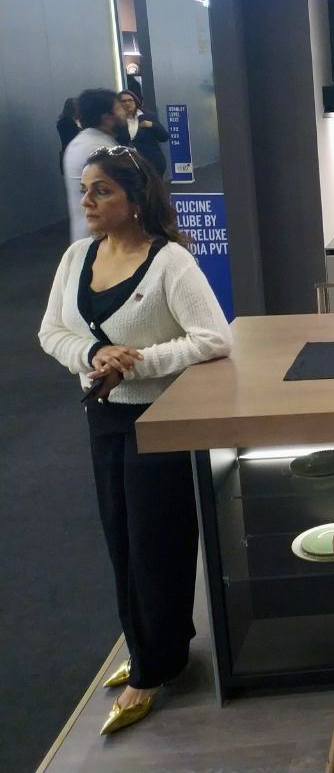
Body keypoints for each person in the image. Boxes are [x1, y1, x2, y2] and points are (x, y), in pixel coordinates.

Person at [38, 145, 232, 735]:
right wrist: (95, 353)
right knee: (120, 537)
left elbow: (213, 338)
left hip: (160, 417)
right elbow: (51, 331)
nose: (88, 202)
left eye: (102, 191)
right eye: (85, 190)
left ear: (136, 197)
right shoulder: (77, 257)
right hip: (103, 418)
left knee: (157, 543)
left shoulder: (170, 262)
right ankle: (153, 648)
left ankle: (153, 667)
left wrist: (138, 361)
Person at [64, 89, 127, 242]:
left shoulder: (80, 142)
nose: (124, 113)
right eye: (119, 108)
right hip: (101, 239)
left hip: (90, 235)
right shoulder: (100, 150)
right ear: (107, 118)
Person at [117, 90, 168, 179]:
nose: (127, 103)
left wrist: (152, 125)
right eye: (123, 101)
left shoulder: (148, 116)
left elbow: (164, 137)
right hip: (128, 165)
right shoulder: (115, 121)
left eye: (130, 100)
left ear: (135, 102)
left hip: (151, 162)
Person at [57, 96, 81, 171]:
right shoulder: (64, 122)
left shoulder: (81, 121)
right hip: (70, 153)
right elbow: (70, 138)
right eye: (77, 106)